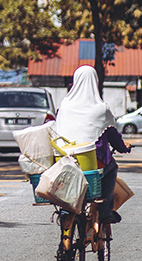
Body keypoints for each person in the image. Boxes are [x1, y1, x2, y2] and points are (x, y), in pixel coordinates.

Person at [55, 65, 130, 224]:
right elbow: (112, 134)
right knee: (112, 167)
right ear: (95, 82)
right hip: (93, 163)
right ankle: (105, 211)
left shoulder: (65, 106)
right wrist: (124, 147)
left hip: (64, 161)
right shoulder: (100, 108)